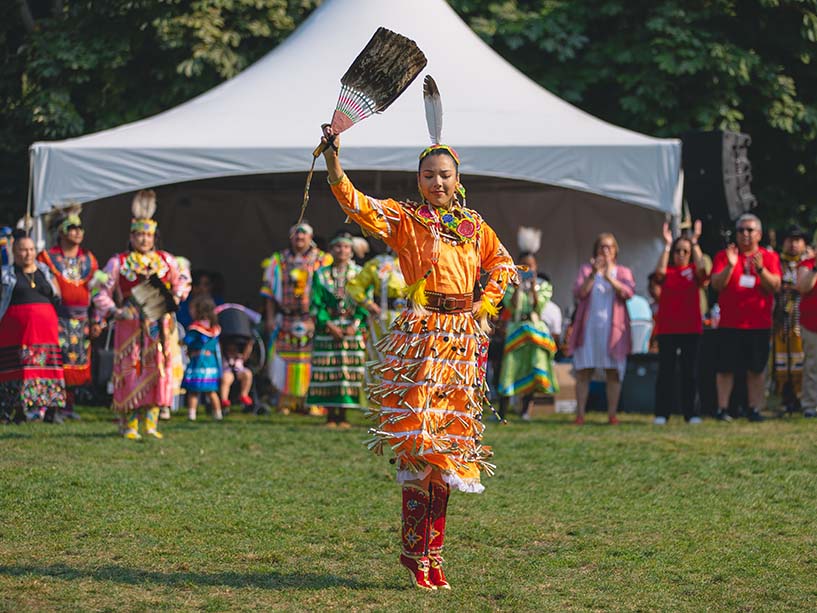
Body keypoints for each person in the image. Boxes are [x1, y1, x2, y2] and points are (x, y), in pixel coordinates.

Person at [321, 127, 517, 591]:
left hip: (462, 344)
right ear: (418, 180)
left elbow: (503, 263)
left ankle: (433, 553)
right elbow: (357, 203)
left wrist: (484, 303)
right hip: (424, 337)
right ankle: (415, 551)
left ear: (457, 178)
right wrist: (333, 163)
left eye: (445, 175)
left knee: (447, 453)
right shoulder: (407, 220)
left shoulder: (473, 225)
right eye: (429, 175)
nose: (438, 183)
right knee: (421, 444)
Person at [93, 190, 191, 440]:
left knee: (158, 367)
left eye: (148, 235)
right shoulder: (120, 262)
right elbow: (99, 290)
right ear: (131, 236)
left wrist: (176, 297)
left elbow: (182, 280)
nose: (144, 239)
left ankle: (151, 422)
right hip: (130, 324)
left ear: (154, 236)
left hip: (159, 324)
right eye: (139, 234)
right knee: (130, 368)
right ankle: (129, 424)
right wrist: (115, 310)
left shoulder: (166, 260)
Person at [710, 213, 781, 422]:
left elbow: (774, 286)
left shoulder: (769, 258)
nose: (745, 234)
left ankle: (754, 409)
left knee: (756, 369)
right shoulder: (725, 256)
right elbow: (716, 284)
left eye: (749, 230)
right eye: (741, 230)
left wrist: (760, 270)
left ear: (759, 234)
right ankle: (722, 409)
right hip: (730, 323)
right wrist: (731, 266)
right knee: (725, 369)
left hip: (758, 323)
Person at [261, 222, 332, 414]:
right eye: (296, 236)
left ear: (311, 238)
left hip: (312, 318)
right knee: (284, 360)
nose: (299, 239)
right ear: (290, 238)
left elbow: (330, 291)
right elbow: (268, 292)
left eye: (304, 236)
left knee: (312, 360)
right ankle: (287, 401)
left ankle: (312, 401)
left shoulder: (323, 260)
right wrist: (269, 318)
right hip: (285, 318)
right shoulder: (278, 260)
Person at [37, 207, 99, 419]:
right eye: (72, 228)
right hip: (56, 316)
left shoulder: (89, 259)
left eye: (80, 228)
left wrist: (97, 320)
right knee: (55, 360)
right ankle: (50, 408)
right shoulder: (47, 257)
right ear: (61, 232)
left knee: (76, 363)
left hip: (82, 320)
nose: (77, 232)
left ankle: (68, 406)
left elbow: (97, 292)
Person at [569, 232, 635, 425]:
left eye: (609, 247)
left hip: (613, 331)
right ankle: (580, 414)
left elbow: (628, 292)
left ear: (615, 251)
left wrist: (609, 277)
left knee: (612, 372)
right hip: (589, 329)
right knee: (583, 371)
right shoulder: (586, 270)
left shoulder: (622, 272)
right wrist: (593, 274)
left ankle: (612, 415)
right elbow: (579, 293)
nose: (605, 251)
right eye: (601, 247)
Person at [0, 233, 66, 423]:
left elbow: (57, 294)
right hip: (15, 332)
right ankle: (15, 411)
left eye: (31, 249)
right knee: (17, 368)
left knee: (47, 367)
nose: (27, 254)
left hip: (45, 330)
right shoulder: (6, 274)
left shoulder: (44, 271)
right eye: (22, 250)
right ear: (14, 252)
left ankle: (50, 411)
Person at [306, 231, 369, 428]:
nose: (342, 250)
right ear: (331, 250)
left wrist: (355, 324)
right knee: (328, 368)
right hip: (329, 327)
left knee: (347, 371)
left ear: (351, 251)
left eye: (346, 247)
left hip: (351, 328)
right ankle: (330, 415)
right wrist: (327, 324)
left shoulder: (359, 273)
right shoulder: (321, 274)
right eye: (338, 247)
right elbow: (316, 303)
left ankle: (343, 415)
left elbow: (365, 300)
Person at [497, 228, 558, 420]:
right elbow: (511, 306)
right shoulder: (509, 284)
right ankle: (503, 411)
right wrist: (516, 287)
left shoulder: (543, 285)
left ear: (536, 267)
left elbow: (538, 307)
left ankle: (525, 410)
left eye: (530, 266)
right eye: (523, 266)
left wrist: (532, 287)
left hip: (535, 330)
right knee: (510, 368)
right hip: (516, 329)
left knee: (533, 367)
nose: (527, 269)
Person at [652, 220, 708, 425]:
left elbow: (704, 272)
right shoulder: (669, 273)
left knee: (690, 373)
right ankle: (661, 413)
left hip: (691, 329)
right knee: (665, 372)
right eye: (678, 251)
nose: (681, 255)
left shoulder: (694, 271)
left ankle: (691, 413)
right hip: (668, 329)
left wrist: (694, 243)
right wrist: (667, 245)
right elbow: (658, 273)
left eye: (684, 251)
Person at [346, 247, 407, 362]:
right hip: (383, 318)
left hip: (410, 318)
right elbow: (355, 286)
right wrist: (368, 304)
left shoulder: (416, 261)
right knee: (381, 357)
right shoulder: (378, 263)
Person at [773, 225, 808, 411]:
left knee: (801, 357)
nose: (793, 244)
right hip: (780, 320)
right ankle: (785, 398)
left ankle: (801, 397)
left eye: (797, 240)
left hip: (803, 318)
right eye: (790, 240)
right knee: (782, 358)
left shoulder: (809, 262)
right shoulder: (777, 261)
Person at [182, 296, 223, 421]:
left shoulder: (196, 328)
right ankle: (218, 414)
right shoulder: (214, 327)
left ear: (199, 310)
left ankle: (191, 415)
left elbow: (188, 341)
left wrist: (181, 342)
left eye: (192, 309)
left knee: (193, 391)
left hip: (198, 361)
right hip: (211, 362)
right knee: (211, 391)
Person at [797, 250, 817, 417]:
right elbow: (803, 287)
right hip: (812, 324)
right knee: (812, 366)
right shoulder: (807, 265)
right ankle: (810, 405)